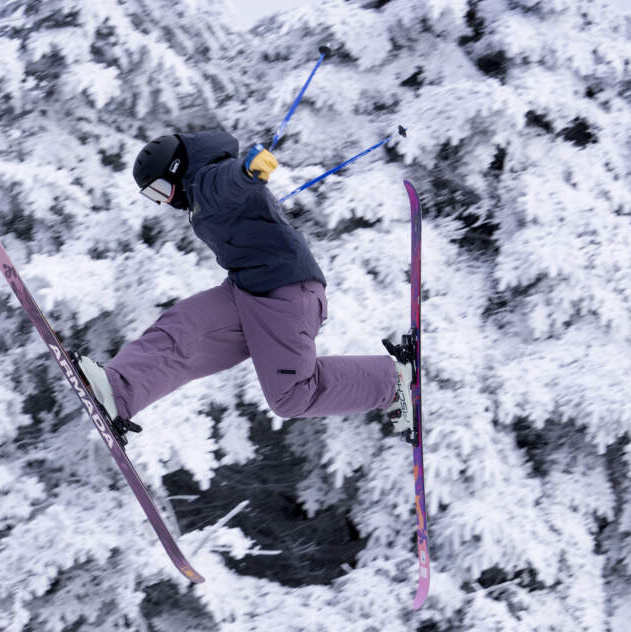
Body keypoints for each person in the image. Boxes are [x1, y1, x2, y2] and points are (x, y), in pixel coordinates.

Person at [76, 130, 414, 439]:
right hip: (247, 290)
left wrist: (246, 171)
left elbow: (222, 182)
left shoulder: (205, 180)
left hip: (285, 294)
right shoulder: (200, 190)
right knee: (182, 328)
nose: (164, 200)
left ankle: (394, 381)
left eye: (161, 189)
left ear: (177, 170)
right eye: (153, 197)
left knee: (291, 396)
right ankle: (117, 391)